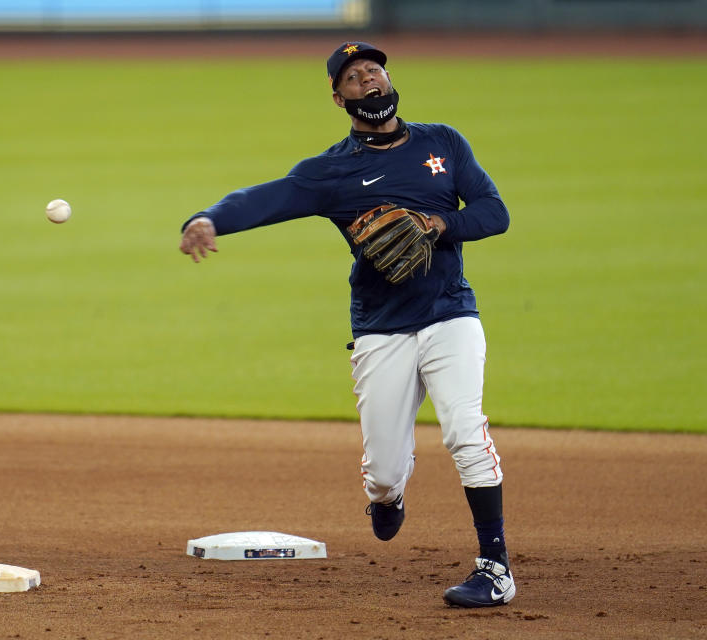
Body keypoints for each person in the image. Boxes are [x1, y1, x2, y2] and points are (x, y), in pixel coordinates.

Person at [178, 41, 514, 608]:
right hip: (381, 327)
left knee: (465, 430)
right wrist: (209, 218)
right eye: (354, 77)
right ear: (340, 98)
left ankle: (495, 566)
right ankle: (388, 497)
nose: (368, 80)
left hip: (451, 313)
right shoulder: (332, 171)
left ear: (389, 79)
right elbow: (268, 197)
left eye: (374, 70)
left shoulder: (443, 143)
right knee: (383, 471)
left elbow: (494, 212)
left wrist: (438, 223)